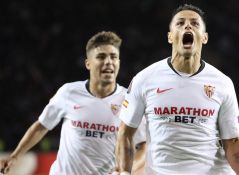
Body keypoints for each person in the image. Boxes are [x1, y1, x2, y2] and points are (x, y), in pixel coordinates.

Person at [116, 4, 239, 175]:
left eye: (195, 23)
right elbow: (125, 133)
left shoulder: (222, 83)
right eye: (180, 23)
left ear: (204, 37)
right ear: (170, 37)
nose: (187, 26)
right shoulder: (145, 79)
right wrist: (124, 172)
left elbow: (233, 142)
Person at [0, 31, 146, 175]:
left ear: (118, 63)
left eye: (113, 57)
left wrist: (124, 171)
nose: (108, 61)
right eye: (101, 57)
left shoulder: (129, 100)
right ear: (88, 64)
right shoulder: (68, 92)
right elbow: (41, 126)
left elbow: (144, 146)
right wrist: (15, 156)